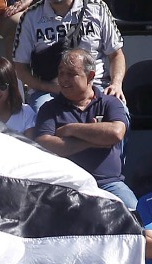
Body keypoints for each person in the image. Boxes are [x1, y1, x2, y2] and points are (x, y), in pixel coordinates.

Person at [34, 49, 134, 207]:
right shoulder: (49, 109)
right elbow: (44, 144)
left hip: (108, 185)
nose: (63, 79)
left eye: (71, 74)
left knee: (136, 218)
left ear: (90, 76)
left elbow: (115, 133)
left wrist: (71, 129)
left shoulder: (109, 102)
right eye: (61, 73)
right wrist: (94, 141)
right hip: (67, 186)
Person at [11, 0, 125, 103]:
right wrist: (49, 87)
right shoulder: (30, 17)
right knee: (39, 118)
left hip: (96, 86)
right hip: (49, 92)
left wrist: (116, 84)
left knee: (119, 117)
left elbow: (116, 55)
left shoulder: (98, 8)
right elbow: (20, 68)